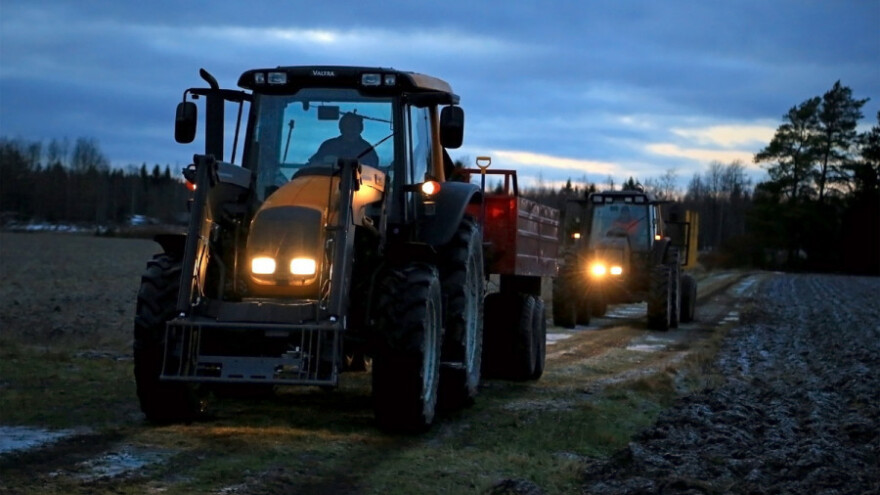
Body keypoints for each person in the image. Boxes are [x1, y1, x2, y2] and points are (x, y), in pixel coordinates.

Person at [308, 113, 379, 168]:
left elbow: (373, 170)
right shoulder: (328, 146)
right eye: (347, 126)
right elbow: (313, 165)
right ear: (341, 128)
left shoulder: (368, 150)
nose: (350, 130)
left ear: (361, 129)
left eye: (354, 127)